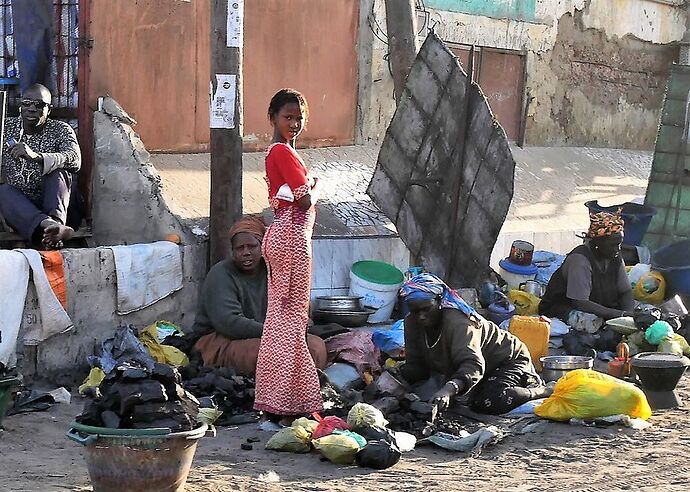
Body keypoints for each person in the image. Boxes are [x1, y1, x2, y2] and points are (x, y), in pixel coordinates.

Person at [253, 89, 322, 425]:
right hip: (291, 239)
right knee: (289, 322)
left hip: (284, 237)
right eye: (288, 117)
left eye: (299, 117)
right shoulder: (282, 152)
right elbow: (304, 199)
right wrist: (316, 186)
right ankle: (279, 401)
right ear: (273, 118)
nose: (294, 123)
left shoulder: (279, 152)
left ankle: (282, 401)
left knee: (283, 320)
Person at [192, 215, 328, 375]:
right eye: (239, 248)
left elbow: (293, 307)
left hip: (267, 335)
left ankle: (300, 383)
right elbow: (229, 322)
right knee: (272, 355)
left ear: (262, 246)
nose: (246, 253)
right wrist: (275, 333)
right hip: (222, 340)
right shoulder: (221, 274)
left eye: (252, 246)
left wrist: (290, 332)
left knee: (315, 346)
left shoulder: (272, 271)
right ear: (233, 251)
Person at [399, 273, 551, 415]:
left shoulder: (459, 323)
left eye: (426, 309)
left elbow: (472, 365)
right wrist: (398, 380)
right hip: (473, 369)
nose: (421, 316)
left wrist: (448, 390)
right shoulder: (411, 322)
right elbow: (416, 366)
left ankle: (541, 390)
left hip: (506, 360)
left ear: (439, 301)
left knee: (487, 402)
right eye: (415, 311)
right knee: (419, 394)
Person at [0, 83, 80, 248]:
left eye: (39, 105)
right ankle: (50, 228)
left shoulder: (60, 129)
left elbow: (75, 159)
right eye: (26, 103)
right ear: (21, 106)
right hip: (19, 207)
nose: (31, 108)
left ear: (49, 110)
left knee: (58, 173)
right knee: (3, 191)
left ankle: (56, 226)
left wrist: (37, 157)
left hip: (53, 202)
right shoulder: (6, 128)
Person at [539, 209, 635, 333]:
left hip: (603, 309)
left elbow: (625, 291)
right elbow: (580, 302)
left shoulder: (615, 257)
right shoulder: (580, 260)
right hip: (565, 309)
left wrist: (629, 315)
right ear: (597, 242)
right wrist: (619, 314)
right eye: (613, 245)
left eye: (619, 244)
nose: (618, 249)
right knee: (591, 324)